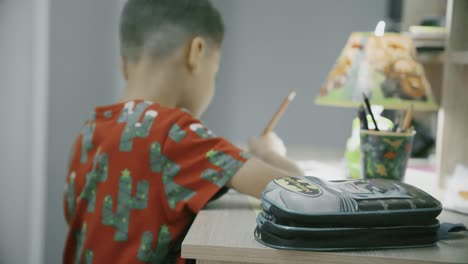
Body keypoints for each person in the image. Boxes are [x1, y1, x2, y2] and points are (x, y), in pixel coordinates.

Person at [63, 0, 303, 263]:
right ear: (196, 52)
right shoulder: (175, 133)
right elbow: (299, 192)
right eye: (216, 70)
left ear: (123, 64)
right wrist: (270, 152)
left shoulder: (88, 134)